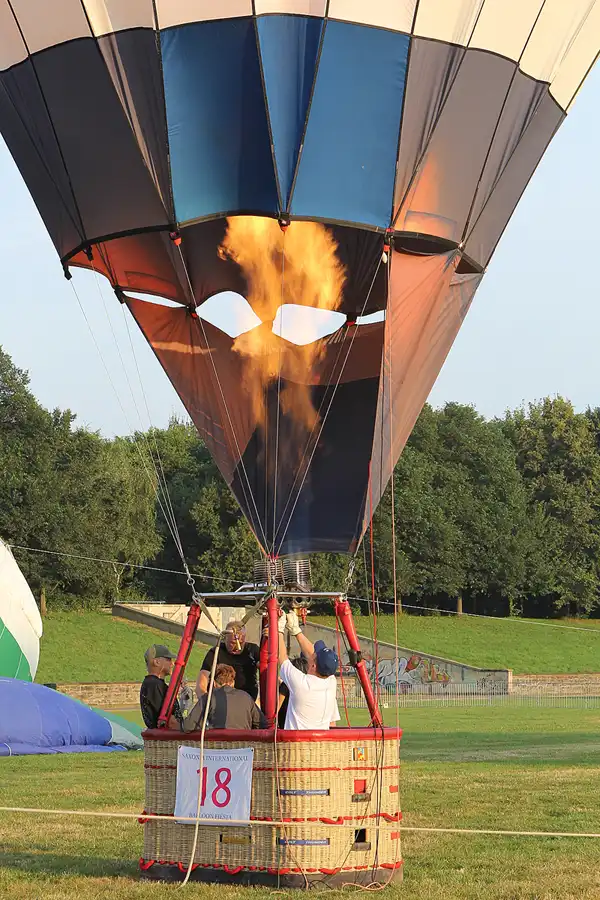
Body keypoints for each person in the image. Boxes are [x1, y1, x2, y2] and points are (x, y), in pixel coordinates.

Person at [278, 611, 340, 730]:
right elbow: (311, 653)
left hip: (295, 745)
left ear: (313, 666)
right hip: (316, 744)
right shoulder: (331, 682)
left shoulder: (301, 683)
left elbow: (282, 658)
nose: (312, 654)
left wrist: (279, 629)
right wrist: (296, 631)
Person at [184, 664, 267, 731]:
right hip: (244, 748)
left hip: (216, 747)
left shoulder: (208, 698)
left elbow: (188, 726)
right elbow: (262, 724)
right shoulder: (246, 697)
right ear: (233, 683)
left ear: (213, 683)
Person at [197, 622, 260, 700]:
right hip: (221, 700)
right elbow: (203, 678)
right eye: (232, 643)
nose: (237, 647)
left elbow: (267, 668)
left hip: (247, 699)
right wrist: (204, 700)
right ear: (225, 638)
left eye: (241, 643)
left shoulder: (252, 650)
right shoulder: (216, 652)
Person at [140, 644, 182, 730]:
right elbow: (170, 722)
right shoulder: (154, 685)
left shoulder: (153, 684)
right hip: (167, 739)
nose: (172, 663)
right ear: (157, 662)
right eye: (168, 659)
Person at [277, 655, 308, 729]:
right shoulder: (307, 685)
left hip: (287, 724)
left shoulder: (287, 684)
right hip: (298, 724)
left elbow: (277, 706)